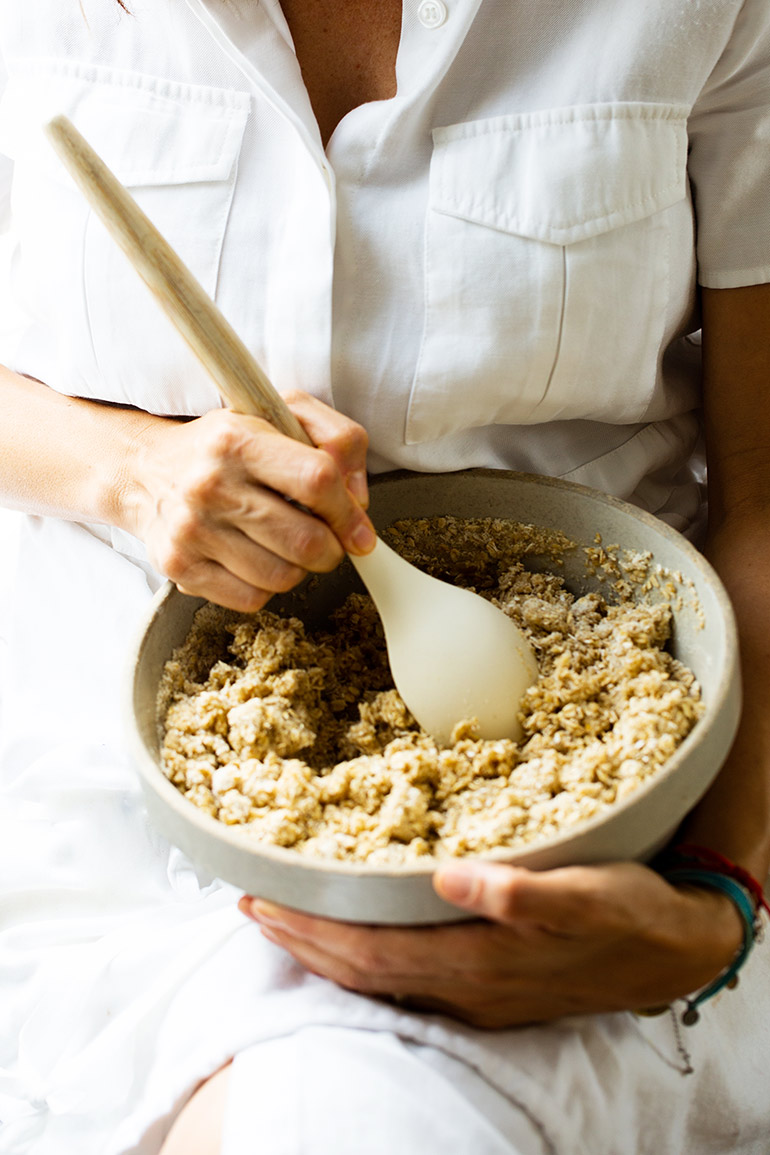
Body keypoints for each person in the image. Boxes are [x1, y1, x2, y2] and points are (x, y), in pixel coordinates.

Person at [0, 1, 769, 1152]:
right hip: (88, 744)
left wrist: (717, 899)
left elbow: (762, 498)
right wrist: (131, 470)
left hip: (629, 803)